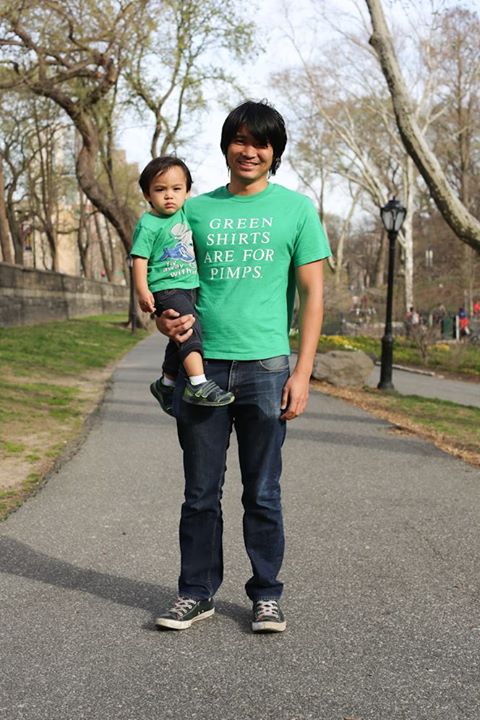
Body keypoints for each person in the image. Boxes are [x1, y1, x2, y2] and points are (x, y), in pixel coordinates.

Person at [154, 101, 331, 633]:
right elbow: (170, 276)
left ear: (274, 152)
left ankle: (266, 595)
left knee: (263, 491)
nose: (248, 151)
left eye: (260, 143)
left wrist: (302, 372)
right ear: (226, 145)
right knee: (200, 493)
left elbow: (313, 296)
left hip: (267, 368)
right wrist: (165, 318)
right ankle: (196, 593)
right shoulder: (194, 211)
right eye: (240, 140)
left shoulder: (296, 210)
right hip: (202, 368)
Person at [131, 156, 234, 412]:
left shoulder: (184, 214)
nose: (169, 196)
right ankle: (198, 383)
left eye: (176, 189)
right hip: (166, 287)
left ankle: (166, 383)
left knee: (177, 334)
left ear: (187, 192)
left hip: (189, 286)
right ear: (147, 195)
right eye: (160, 190)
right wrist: (142, 291)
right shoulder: (149, 224)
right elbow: (139, 259)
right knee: (189, 326)